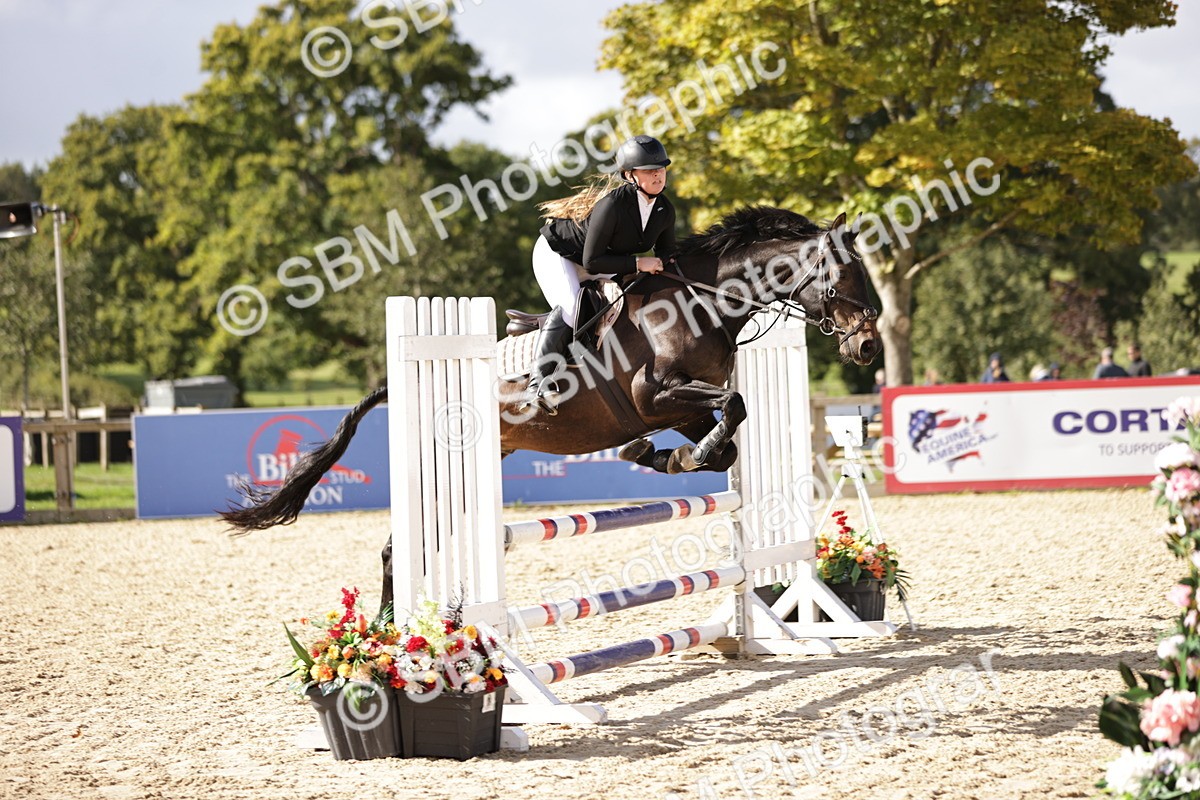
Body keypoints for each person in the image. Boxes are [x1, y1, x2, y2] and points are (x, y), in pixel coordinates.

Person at [520, 135, 678, 413]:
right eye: (649, 170)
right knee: (571, 307)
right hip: (561, 254)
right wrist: (640, 264)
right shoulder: (613, 205)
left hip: (605, 261)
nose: (658, 175)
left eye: (661, 169)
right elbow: (591, 262)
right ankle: (537, 385)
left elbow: (666, 255)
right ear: (630, 175)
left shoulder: (664, 209)